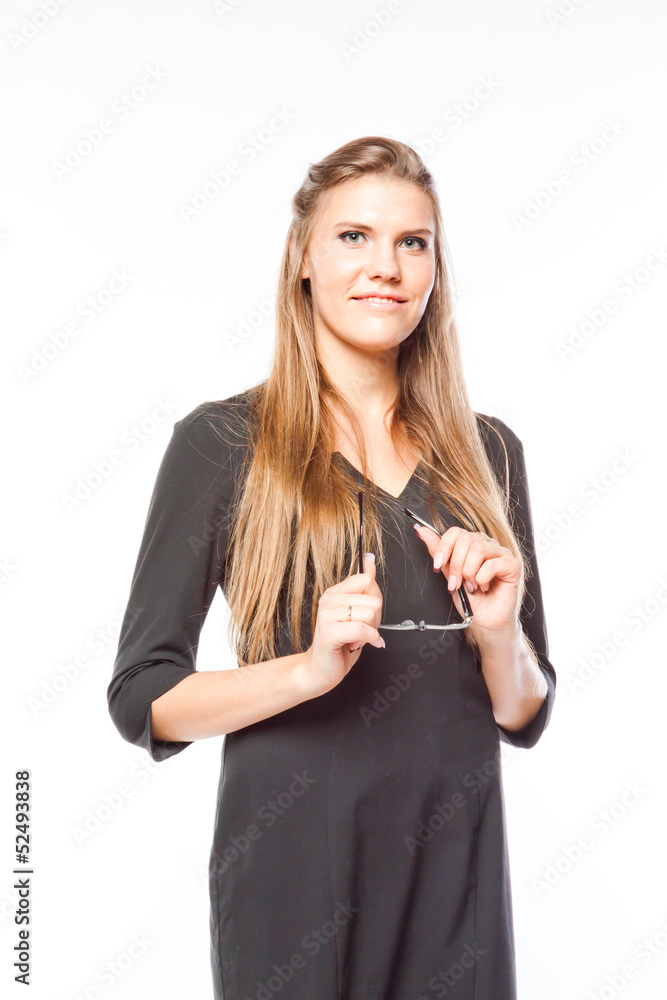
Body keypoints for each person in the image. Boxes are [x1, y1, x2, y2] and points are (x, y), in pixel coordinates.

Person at [107, 135, 556, 1000]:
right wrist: (308, 672)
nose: (384, 266)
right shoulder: (223, 443)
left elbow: (524, 711)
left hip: (453, 889)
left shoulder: (488, 451)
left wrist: (501, 635)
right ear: (301, 259)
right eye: (353, 237)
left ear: (432, 268)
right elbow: (143, 698)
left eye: (410, 242)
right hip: (291, 888)